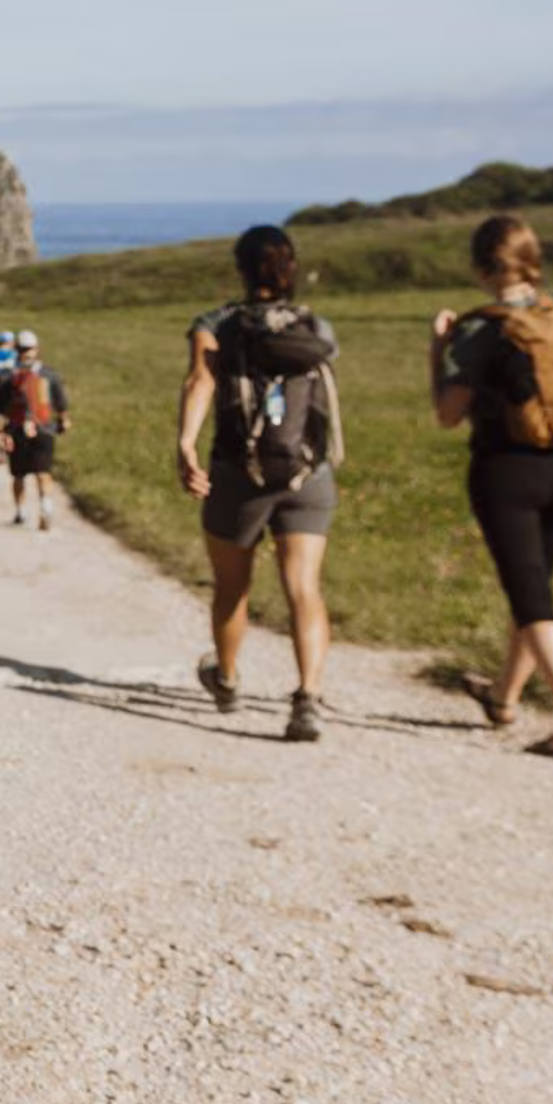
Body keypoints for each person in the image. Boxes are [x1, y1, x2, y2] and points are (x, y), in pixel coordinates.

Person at [431, 214, 553, 758]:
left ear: (482, 265)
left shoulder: (477, 329)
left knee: (533, 597)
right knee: (532, 586)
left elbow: (447, 413)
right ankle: (503, 697)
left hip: (506, 470)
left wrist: (435, 350)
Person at [175, 225, 343, 743]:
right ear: (290, 268)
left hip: (237, 473)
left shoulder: (217, 324)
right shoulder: (314, 326)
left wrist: (186, 443)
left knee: (232, 585)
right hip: (307, 473)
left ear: (240, 269)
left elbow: (201, 379)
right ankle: (307, 698)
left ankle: (226, 680)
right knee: (303, 588)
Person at [0, 329, 70, 529]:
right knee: (43, 472)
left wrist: (0, 433)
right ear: (36, 349)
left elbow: (0, 410)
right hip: (44, 429)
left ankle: (20, 512)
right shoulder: (49, 374)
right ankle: (45, 506)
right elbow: (61, 403)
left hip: (17, 430)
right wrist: (63, 420)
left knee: (18, 475)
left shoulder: (8, 377)